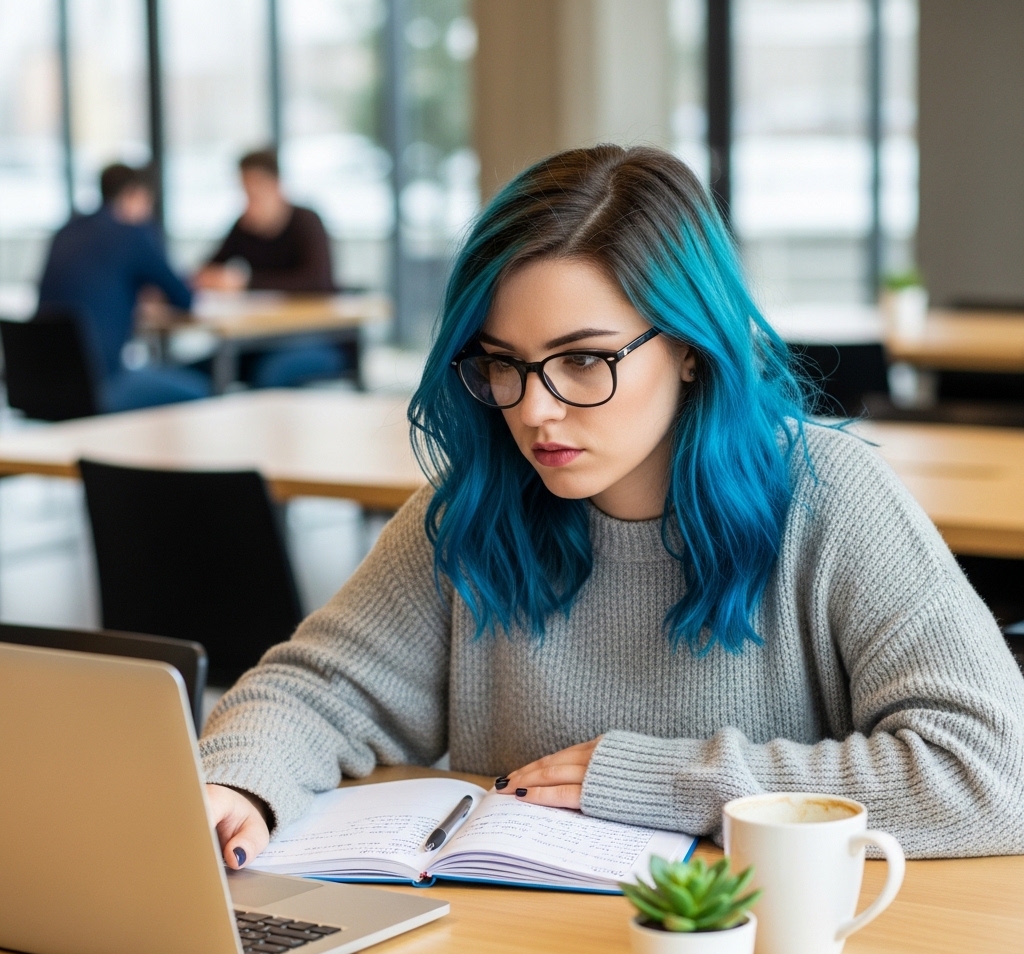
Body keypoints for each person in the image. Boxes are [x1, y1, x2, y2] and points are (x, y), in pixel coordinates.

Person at [201, 145, 1024, 870]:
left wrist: (661, 780)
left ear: (693, 348)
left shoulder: (834, 500)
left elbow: (994, 773)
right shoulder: (474, 509)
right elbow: (319, 692)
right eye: (503, 364)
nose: (533, 412)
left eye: (584, 360)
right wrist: (238, 780)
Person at [36, 163, 211, 412]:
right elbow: (184, 298)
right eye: (146, 203)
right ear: (133, 194)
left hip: (40, 382)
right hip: (100, 384)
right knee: (206, 392)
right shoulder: (131, 234)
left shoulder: (66, 231)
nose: (148, 213)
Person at [194, 147, 344, 388]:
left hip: (315, 336)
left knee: (267, 375)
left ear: (276, 186)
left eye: (256, 191)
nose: (250, 199)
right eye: (246, 191)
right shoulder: (244, 226)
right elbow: (209, 268)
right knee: (200, 371)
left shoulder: (306, 222)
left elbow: (318, 282)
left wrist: (246, 283)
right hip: (260, 337)